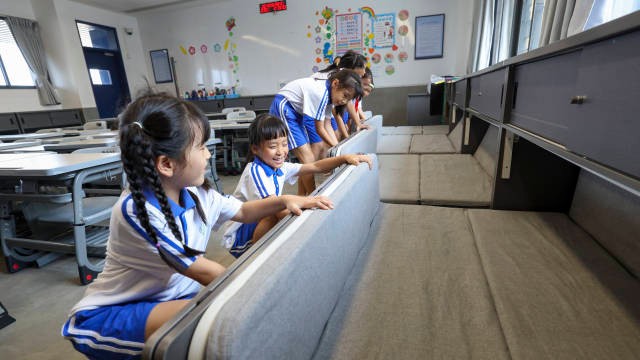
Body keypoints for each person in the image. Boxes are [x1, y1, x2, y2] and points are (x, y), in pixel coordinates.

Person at [61, 93, 333, 359]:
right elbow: (203, 271)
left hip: (167, 299)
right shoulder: (138, 208)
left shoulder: (195, 192)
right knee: (215, 324)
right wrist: (270, 292)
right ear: (167, 164)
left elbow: (242, 210)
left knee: (212, 317)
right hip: (111, 314)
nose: (209, 156)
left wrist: (286, 199)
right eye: (201, 147)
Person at [222, 114, 373, 257]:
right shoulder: (256, 171)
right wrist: (312, 227)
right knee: (277, 211)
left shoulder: (279, 167)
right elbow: (276, 207)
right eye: (273, 146)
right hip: (238, 236)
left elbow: (315, 166)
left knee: (286, 208)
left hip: (255, 222)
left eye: (284, 144)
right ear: (255, 149)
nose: (281, 151)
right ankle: (256, 256)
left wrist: (344, 158)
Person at [270, 69, 363, 195]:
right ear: (335, 83)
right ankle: (314, 197)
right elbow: (320, 129)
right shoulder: (321, 93)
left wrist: (340, 149)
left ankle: (302, 196)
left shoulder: (329, 97)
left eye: (348, 99)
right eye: (345, 95)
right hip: (285, 106)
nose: (344, 101)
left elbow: (327, 125)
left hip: (296, 112)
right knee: (308, 159)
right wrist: (339, 151)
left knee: (308, 160)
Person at [313, 51, 367, 141]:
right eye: (363, 68)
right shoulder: (336, 79)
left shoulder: (344, 80)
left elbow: (349, 104)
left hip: (322, 111)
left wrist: (359, 124)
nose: (364, 72)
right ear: (351, 69)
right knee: (320, 143)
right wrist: (347, 138)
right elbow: (336, 114)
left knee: (330, 141)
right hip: (312, 109)